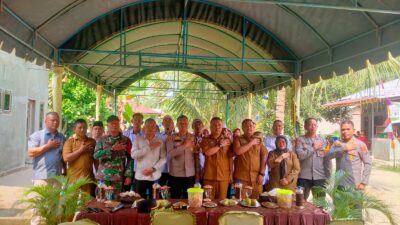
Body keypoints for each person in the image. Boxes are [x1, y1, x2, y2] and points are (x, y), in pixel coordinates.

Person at [28, 112, 65, 225]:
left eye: (57, 120)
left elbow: (63, 157)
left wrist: (65, 174)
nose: (55, 122)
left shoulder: (62, 137)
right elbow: (30, 152)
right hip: (41, 178)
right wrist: (47, 146)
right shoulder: (37, 135)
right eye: (52, 120)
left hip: (57, 178)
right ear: (45, 121)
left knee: (55, 208)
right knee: (38, 207)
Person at [326, 120, 372, 190]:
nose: (345, 131)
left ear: (353, 130)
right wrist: (343, 148)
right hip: (339, 184)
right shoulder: (337, 144)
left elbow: (368, 163)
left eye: (348, 129)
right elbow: (328, 156)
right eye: (343, 129)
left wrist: (364, 182)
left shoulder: (360, 145)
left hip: (354, 185)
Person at [94, 115, 132, 194]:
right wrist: (111, 149)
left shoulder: (126, 140)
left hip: (118, 177)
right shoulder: (101, 140)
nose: (114, 125)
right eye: (111, 123)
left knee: (116, 201)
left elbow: (130, 159)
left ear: (119, 124)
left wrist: (128, 175)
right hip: (103, 177)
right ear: (107, 125)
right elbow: (96, 155)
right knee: (102, 201)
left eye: (116, 123)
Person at [295, 118, 332, 200]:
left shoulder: (323, 141)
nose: (313, 127)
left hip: (320, 176)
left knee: (320, 204)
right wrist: (314, 148)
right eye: (310, 124)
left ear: (317, 126)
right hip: (303, 177)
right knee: (300, 203)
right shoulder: (300, 140)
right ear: (305, 126)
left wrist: (328, 176)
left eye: (315, 125)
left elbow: (327, 160)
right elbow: (300, 156)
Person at [131, 118, 166, 198]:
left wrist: (153, 169)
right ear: (144, 128)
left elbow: (163, 158)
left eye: (153, 126)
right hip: (140, 175)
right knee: (139, 201)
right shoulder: (137, 140)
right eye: (148, 126)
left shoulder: (160, 141)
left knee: (155, 202)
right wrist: (148, 147)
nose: (150, 128)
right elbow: (133, 155)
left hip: (155, 175)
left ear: (156, 129)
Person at [233, 119, 267, 198]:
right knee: (241, 201)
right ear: (242, 128)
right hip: (241, 178)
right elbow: (237, 151)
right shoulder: (238, 139)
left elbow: (264, 156)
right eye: (246, 126)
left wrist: (262, 174)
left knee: (256, 203)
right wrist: (251, 143)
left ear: (254, 127)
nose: (249, 128)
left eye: (251, 126)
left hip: (256, 177)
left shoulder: (259, 140)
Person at [201, 117, 233, 199]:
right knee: (207, 201)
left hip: (223, 176)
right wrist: (220, 145)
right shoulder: (205, 140)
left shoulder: (228, 140)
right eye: (214, 125)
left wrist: (231, 174)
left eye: (219, 125)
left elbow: (230, 158)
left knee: (222, 201)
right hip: (209, 176)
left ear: (222, 127)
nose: (217, 127)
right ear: (210, 127)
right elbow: (207, 153)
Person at [166, 115, 197, 198]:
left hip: (190, 174)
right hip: (176, 174)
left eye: (185, 123)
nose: (183, 125)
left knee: (190, 199)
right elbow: (170, 155)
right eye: (181, 123)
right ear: (177, 124)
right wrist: (184, 145)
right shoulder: (171, 138)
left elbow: (196, 155)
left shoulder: (193, 138)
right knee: (175, 199)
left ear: (188, 124)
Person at [62, 119, 96, 194]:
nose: (82, 130)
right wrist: (81, 150)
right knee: (73, 204)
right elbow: (66, 158)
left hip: (88, 179)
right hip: (73, 180)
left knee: (87, 203)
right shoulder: (69, 142)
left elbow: (96, 160)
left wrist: (98, 177)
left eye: (84, 127)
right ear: (74, 129)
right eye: (80, 127)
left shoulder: (92, 142)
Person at [263, 120, 293, 190]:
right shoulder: (267, 138)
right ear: (272, 127)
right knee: (273, 188)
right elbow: (265, 151)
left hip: (285, 167)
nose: (277, 127)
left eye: (279, 126)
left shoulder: (287, 138)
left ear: (282, 127)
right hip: (271, 166)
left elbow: (289, 152)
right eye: (275, 125)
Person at [123, 113, 144, 190]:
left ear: (142, 122)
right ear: (132, 121)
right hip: (128, 167)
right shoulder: (125, 134)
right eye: (135, 120)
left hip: (140, 168)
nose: (137, 122)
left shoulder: (145, 135)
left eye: (139, 120)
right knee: (126, 191)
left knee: (139, 191)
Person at [158, 115, 175, 186]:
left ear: (173, 124)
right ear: (162, 124)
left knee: (173, 190)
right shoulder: (158, 136)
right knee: (161, 189)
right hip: (161, 168)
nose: (167, 123)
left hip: (174, 168)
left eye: (169, 121)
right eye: (165, 122)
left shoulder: (177, 136)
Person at [192, 118, 205, 183]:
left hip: (204, 169)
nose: (198, 127)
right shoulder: (189, 139)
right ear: (192, 127)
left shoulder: (206, 139)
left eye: (200, 126)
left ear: (203, 127)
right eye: (195, 126)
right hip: (192, 170)